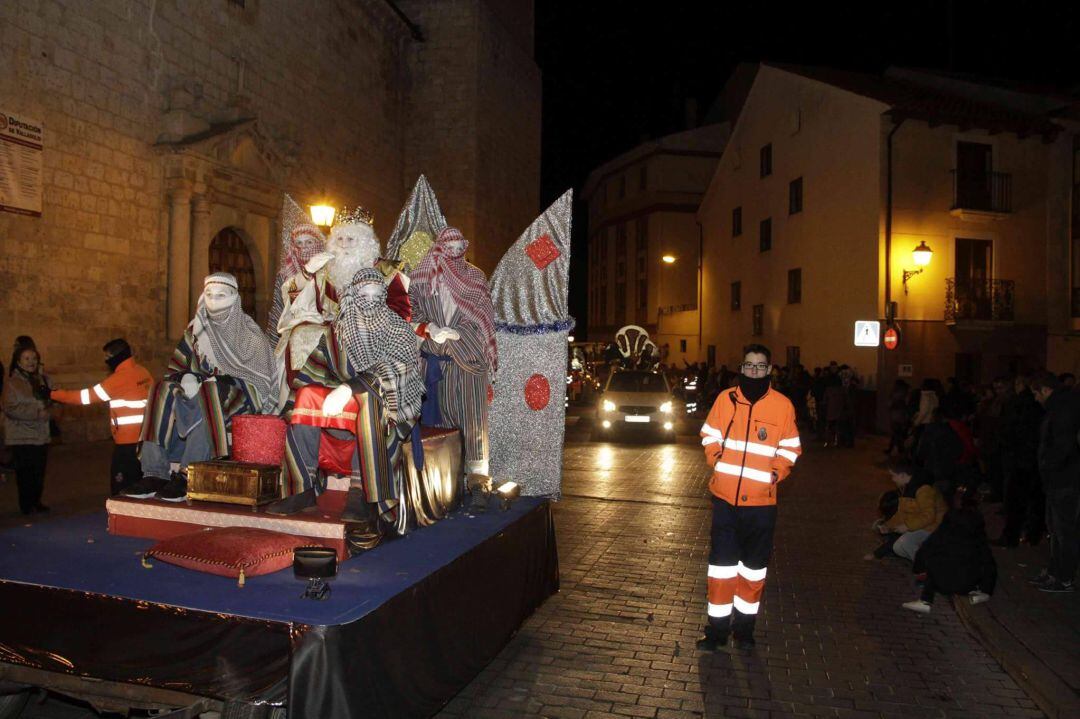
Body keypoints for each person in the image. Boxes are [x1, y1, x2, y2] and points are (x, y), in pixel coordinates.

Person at [128, 273, 277, 501]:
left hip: (238, 397)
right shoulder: (194, 333)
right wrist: (186, 377)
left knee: (210, 394)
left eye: (221, 295)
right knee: (162, 388)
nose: (214, 300)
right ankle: (154, 471)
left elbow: (261, 382)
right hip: (197, 390)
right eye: (209, 294)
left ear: (234, 298)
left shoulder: (250, 336)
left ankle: (189, 472)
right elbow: (176, 367)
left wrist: (219, 381)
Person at [696, 344, 801, 651]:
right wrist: (715, 457)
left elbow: (791, 447)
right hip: (725, 501)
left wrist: (775, 474)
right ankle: (716, 632)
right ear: (740, 369)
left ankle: (744, 631)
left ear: (769, 370)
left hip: (761, 505)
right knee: (721, 570)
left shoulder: (783, 406)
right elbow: (709, 433)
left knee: (753, 571)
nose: (754, 371)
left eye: (760, 366)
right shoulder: (725, 399)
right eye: (749, 366)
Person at [410, 227, 496, 477]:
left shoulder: (475, 277)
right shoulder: (421, 279)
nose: (455, 254)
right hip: (434, 362)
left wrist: (460, 332)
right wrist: (428, 328)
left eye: (460, 249)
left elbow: (485, 318)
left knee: (474, 423)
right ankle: (446, 479)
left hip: (468, 359)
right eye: (450, 249)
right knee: (439, 424)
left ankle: (478, 478)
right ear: (439, 248)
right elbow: (410, 311)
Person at [49, 339, 153, 495]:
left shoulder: (117, 380)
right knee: (143, 484)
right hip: (146, 438)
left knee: (122, 488)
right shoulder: (143, 372)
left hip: (127, 443)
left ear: (115, 357)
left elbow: (84, 397)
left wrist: (52, 394)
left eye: (107, 357)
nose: (105, 361)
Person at [902, 485, 996, 614]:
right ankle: (979, 592)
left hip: (941, 582)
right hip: (966, 585)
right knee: (979, 560)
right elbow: (988, 562)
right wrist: (987, 589)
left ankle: (925, 600)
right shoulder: (977, 534)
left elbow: (926, 548)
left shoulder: (947, 526)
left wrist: (918, 570)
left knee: (936, 557)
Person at [1028, 372, 1080, 593]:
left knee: (1064, 530)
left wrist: (1048, 466)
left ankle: (1064, 576)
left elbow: (1062, 446)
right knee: (1056, 530)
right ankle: (1055, 571)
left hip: (1064, 480)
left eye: (1036, 393)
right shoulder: (1059, 408)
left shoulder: (1062, 409)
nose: (1035, 399)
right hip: (1058, 480)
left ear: (1046, 390)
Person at [994, 375, 1043, 547]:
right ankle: (1032, 534)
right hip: (1033, 459)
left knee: (1015, 500)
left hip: (1018, 459)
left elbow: (1007, 431)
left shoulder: (1016, 404)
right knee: (1033, 499)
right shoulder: (1037, 406)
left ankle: (1012, 536)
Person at [866, 458, 946, 562]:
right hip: (925, 524)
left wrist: (908, 526)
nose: (892, 479)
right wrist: (888, 526)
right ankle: (923, 561)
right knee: (900, 545)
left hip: (936, 527)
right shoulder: (908, 487)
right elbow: (903, 514)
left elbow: (929, 516)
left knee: (902, 544)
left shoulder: (923, 490)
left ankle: (928, 565)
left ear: (903, 475)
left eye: (893, 475)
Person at [3, 345, 52, 514]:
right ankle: (26, 504)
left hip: (40, 434)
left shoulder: (43, 379)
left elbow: (53, 400)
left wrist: (50, 410)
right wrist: (36, 413)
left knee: (39, 471)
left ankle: (36, 500)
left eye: (34, 358)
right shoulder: (12, 383)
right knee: (25, 473)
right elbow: (10, 408)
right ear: (18, 362)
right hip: (22, 434)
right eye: (27, 358)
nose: (31, 362)